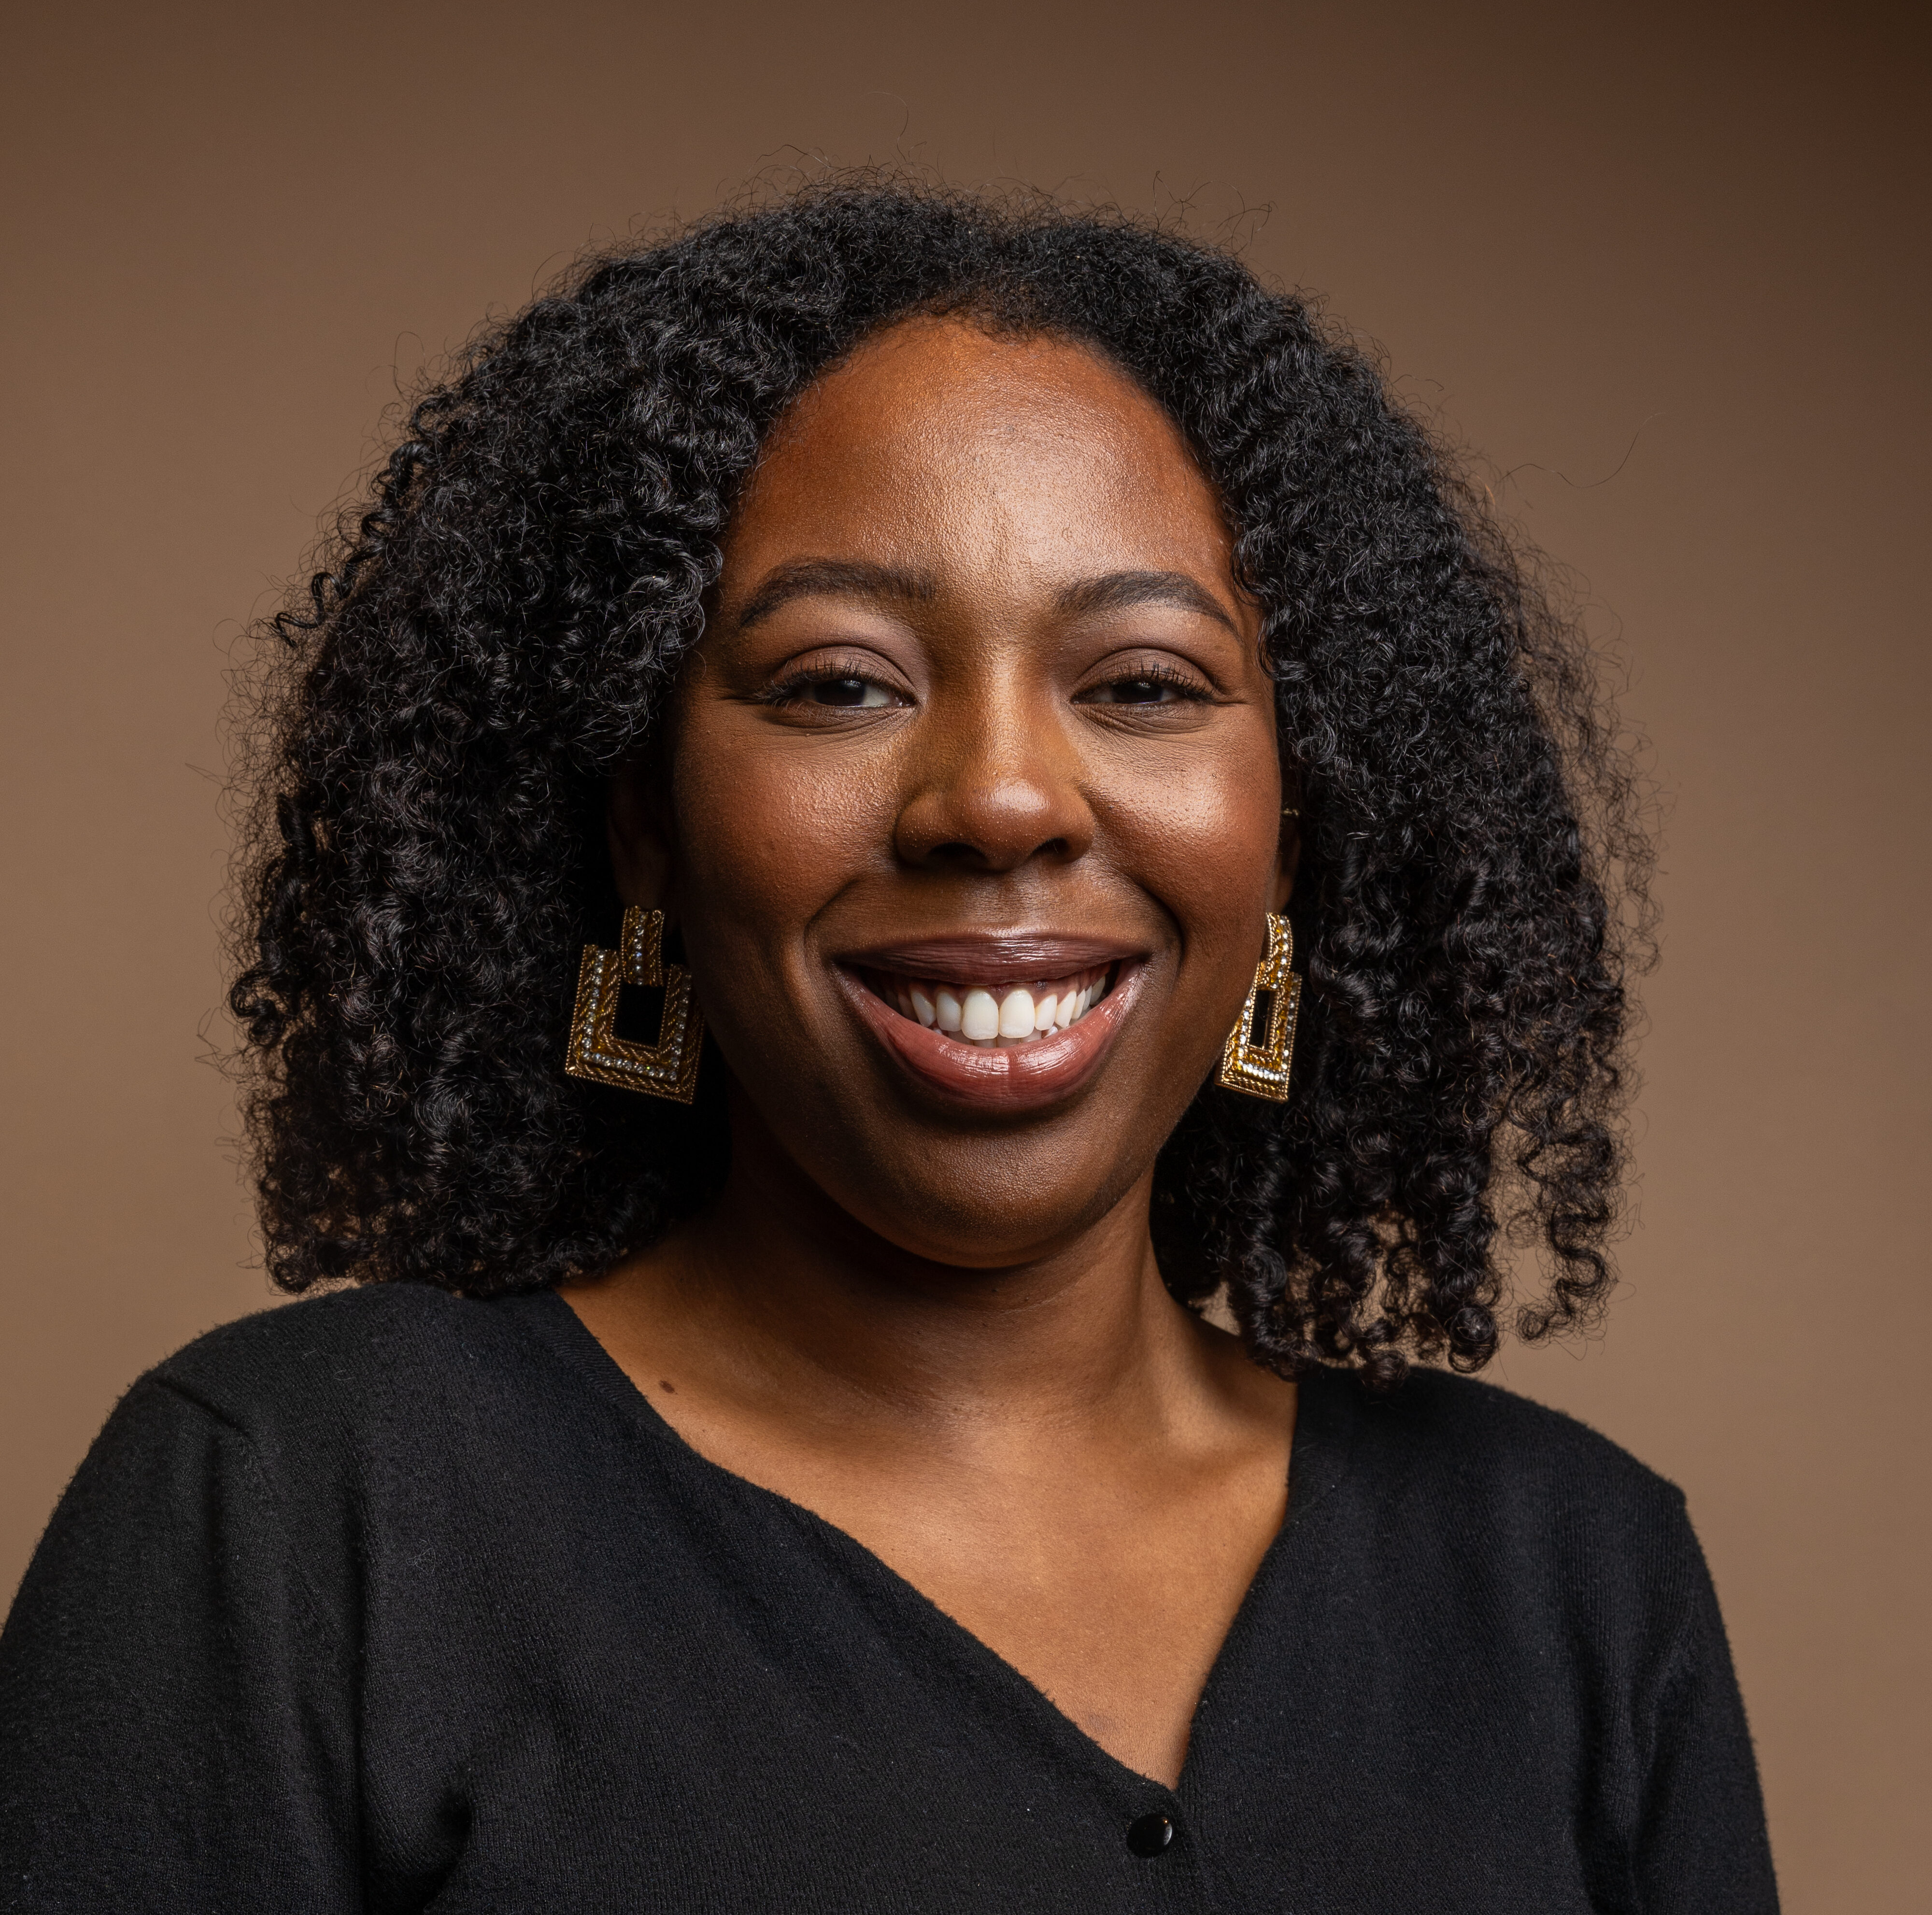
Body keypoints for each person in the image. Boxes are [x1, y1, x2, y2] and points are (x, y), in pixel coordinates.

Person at [0, 175, 1777, 1911]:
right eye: (841, 682)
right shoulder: (303, 1510)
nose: (999, 798)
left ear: (1291, 841)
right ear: (646, 826)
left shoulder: (1576, 1584)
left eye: (1143, 685)